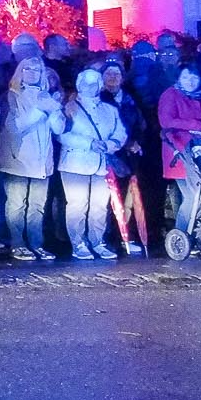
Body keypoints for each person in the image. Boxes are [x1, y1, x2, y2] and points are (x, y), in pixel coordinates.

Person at [56, 68, 128, 261]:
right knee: (77, 205)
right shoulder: (70, 108)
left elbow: (120, 132)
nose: (90, 87)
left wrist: (110, 145)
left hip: (101, 163)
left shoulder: (110, 110)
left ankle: (97, 241)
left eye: (94, 83)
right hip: (75, 163)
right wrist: (89, 144)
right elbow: (62, 134)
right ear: (80, 85)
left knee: (99, 205)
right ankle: (78, 242)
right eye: (86, 83)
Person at [0, 55, 65, 262]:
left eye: (37, 70)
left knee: (37, 205)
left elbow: (59, 129)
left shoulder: (46, 96)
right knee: (17, 204)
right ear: (21, 72)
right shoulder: (11, 96)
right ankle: (17, 244)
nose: (33, 73)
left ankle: (36, 243)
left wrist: (55, 111)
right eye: (28, 69)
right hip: (17, 159)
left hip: (42, 160)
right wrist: (41, 111)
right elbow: (14, 127)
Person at [98, 60, 152, 257]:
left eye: (116, 74)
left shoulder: (129, 98)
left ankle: (127, 237)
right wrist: (126, 142)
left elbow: (140, 123)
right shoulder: (99, 99)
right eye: (108, 74)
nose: (113, 78)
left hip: (130, 156)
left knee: (129, 196)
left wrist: (136, 141)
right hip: (111, 154)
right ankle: (110, 237)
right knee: (110, 198)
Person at [158, 64, 201, 240]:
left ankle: (198, 236)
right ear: (178, 79)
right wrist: (197, 126)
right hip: (179, 151)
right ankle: (181, 236)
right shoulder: (171, 95)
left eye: (194, 78)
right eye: (185, 77)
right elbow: (166, 120)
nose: (190, 82)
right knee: (191, 196)